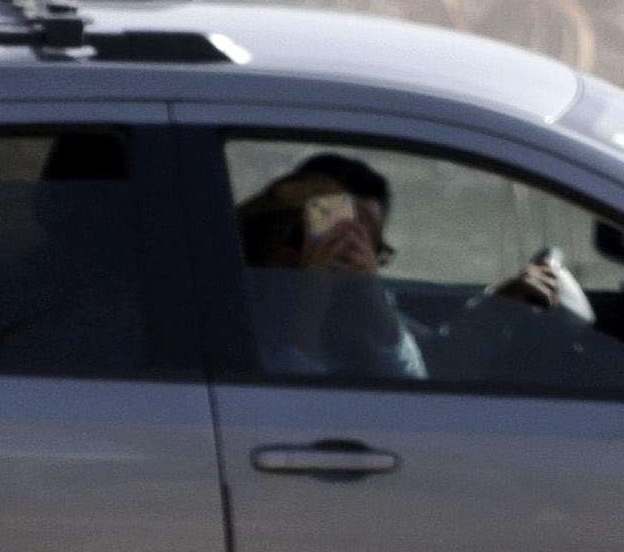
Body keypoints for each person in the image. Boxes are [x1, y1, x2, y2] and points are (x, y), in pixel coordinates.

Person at [235, 150, 589, 380]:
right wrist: (307, 305)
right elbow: (292, 411)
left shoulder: (357, 308)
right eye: (310, 232)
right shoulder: (236, 309)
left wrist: (371, 303)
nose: (339, 252)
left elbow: (416, 387)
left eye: (363, 242)